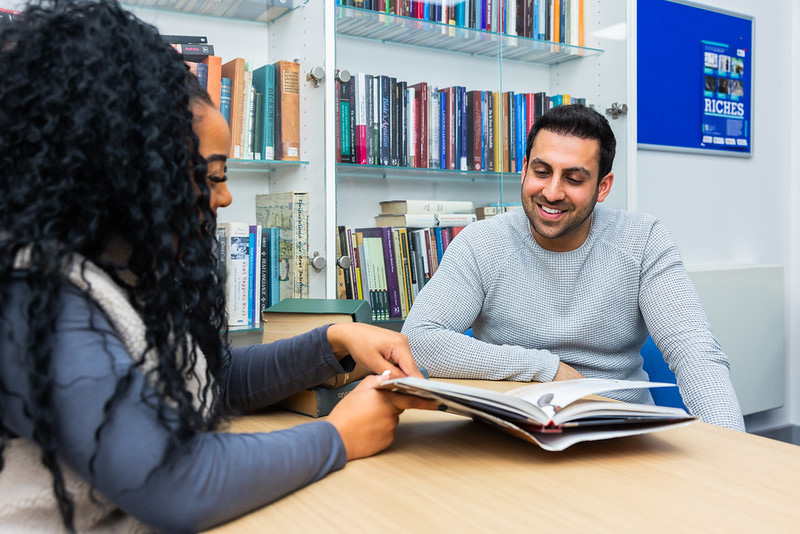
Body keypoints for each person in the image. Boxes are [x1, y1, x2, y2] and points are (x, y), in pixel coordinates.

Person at [0, 1, 434, 532]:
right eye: (210, 176)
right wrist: (339, 436)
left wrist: (335, 341)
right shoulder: (31, 293)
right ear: (122, 173)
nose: (226, 197)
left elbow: (208, 378)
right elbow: (175, 483)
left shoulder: (123, 266)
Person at [402, 103, 745, 432]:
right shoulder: (482, 241)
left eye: (574, 179)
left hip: (620, 431)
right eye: (541, 172)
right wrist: (545, 369)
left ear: (603, 187)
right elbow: (418, 340)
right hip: (512, 430)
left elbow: (695, 352)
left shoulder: (643, 240)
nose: (552, 192)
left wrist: (731, 454)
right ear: (524, 170)